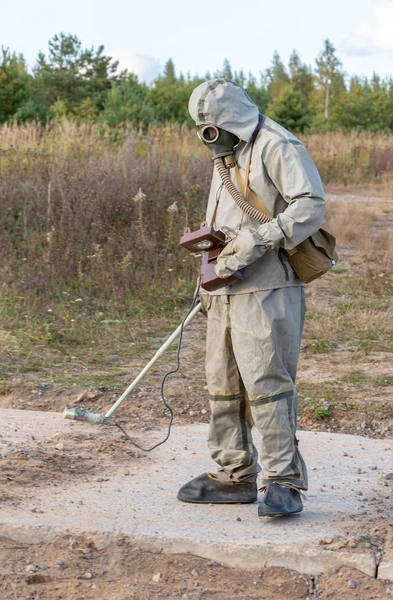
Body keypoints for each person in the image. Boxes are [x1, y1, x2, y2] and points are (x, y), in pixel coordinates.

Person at [177, 78, 325, 517]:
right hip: (225, 286)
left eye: (210, 128)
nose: (206, 136)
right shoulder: (226, 155)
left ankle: (283, 481)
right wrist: (208, 270)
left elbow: (310, 205)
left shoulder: (278, 146)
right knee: (222, 382)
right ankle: (234, 473)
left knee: (266, 383)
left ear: (230, 121)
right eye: (200, 128)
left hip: (267, 286)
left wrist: (260, 239)